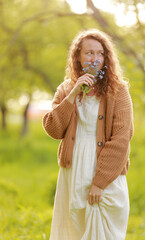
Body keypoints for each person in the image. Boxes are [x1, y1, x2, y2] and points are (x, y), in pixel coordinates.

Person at [42, 28, 134, 240]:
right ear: (78, 57)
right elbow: (54, 129)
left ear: (106, 57)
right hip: (73, 168)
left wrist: (99, 182)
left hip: (105, 169)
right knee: (75, 228)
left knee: (104, 230)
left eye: (100, 53)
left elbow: (121, 139)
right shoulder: (66, 88)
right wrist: (73, 94)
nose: (95, 58)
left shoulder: (118, 90)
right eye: (89, 53)